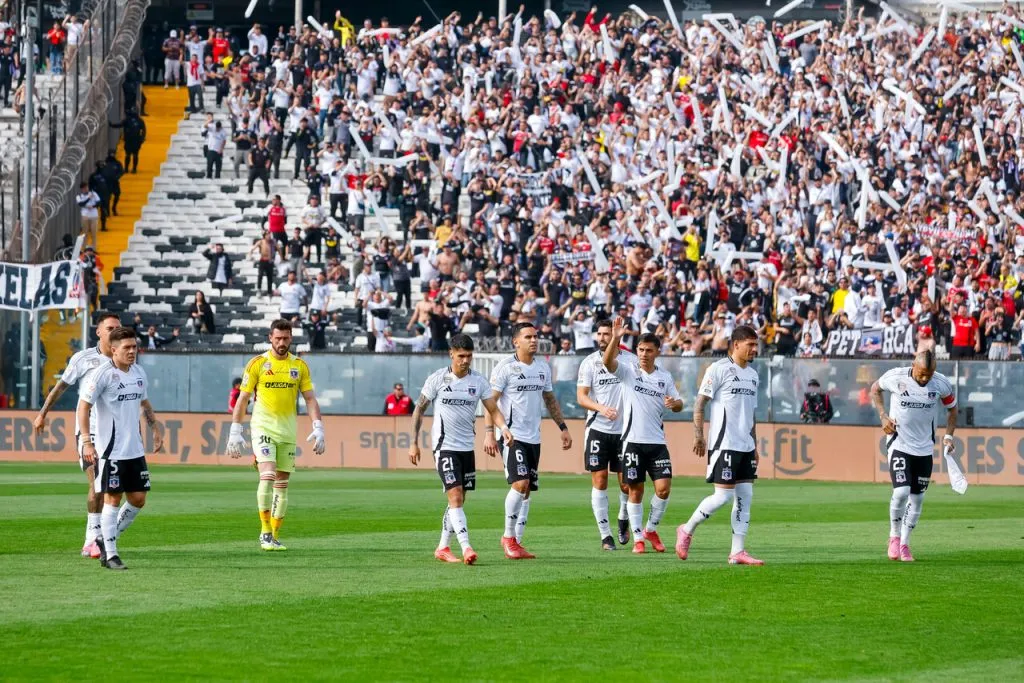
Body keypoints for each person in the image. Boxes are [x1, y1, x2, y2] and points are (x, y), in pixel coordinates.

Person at [408, 334, 515, 565]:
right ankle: (467, 548)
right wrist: (413, 442)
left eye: (469, 356)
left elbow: (493, 409)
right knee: (455, 495)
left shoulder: (478, 381)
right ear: (451, 354)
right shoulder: (438, 379)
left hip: (467, 448)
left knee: (459, 499)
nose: (465, 360)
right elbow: (419, 409)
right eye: (461, 356)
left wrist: (503, 428)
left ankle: (442, 547)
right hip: (444, 446)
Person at [226, 320, 326, 551]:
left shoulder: (299, 366)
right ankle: (264, 531)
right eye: (278, 338)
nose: (282, 342)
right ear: (270, 338)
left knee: (282, 484)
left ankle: (274, 535)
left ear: (291, 338)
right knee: (268, 475)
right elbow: (243, 398)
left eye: (286, 338)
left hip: (288, 431)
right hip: (262, 427)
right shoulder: (258, 364)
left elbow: (310, 398)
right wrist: (235, 430)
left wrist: (318, 426)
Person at [32, 311, 121, 558]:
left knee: (113, 487)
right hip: (88, 431)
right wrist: (42, 414)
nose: (115, 331)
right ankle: (91, 539)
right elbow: (60, 387)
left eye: (118, 327)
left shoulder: (124, 358)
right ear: (99, 332)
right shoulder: (83, 359)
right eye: (110, 327)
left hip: (114, 433)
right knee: (96, 483)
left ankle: (102, 537)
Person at [77, 327, 165, 570]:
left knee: (138, 499)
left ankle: (103, 538)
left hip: (134, 449)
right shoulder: (102, 374)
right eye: (126, 348)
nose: (132, 351)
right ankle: (111, 555)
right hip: (110, 450)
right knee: (112, 499)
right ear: (113, 350)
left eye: (134, 347)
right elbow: (83, 407)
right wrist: (87, 441)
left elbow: (144, 402)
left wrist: (155, 429)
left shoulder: (138, 372)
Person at [484, 322, 572, 560]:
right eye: (528, 337)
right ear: (516, 341)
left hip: (534, 437)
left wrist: (563, 427)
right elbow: (490, 402)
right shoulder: (505, 368)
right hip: (512, 436)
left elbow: (550, 399)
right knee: (520, 483)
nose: (534, 340)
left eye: (536, 336)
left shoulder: (542, 367)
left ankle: (517, 541)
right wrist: (489, 432)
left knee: (527, 491)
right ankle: (508, 537)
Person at [677, 325, 764, 566]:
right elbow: (699, 403)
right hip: (724, 443)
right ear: (736, 344)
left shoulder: (753, 375)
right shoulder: (717, 369)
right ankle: (687, 529)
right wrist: (698, 435)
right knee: (723, 496)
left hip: (745, 445)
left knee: (745, 496)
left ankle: (737, 551)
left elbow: (751, 414)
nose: (754, 349)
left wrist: (754, 444)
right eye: (750, 344)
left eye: (756, 345)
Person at [603, 317, 683, 554]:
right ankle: (638, 538)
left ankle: (650, 529)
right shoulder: (628, 372)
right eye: (640, 349)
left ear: (658, 351)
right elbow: (608, 362)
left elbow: (679, 404)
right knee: (635, 489)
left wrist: (674, 403)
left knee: (664, 489)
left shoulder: (664, 377)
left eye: (649, 350)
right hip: (633, 442)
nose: (644, 354)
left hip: (657, 442)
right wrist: (616, 337)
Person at [869, 350, 957, 562]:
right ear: (913, 366)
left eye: (929, 374)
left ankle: (905, 544)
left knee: (917, 498)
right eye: (921, 374)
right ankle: (894, 536)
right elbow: (874, 390)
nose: (925, 378)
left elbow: (952, 410)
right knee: (901, 492)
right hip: (899, 443)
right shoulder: (896, 377)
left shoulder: (941, 384)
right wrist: (883, 416)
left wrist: (948, 437)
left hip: (925, 448)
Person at [576, 319, 633, 549]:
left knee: (627, 485)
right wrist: (601, 408)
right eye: (599, 334)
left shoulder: (630, 361)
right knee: (600, 480)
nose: (601, 338)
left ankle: (623, 517)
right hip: (598, 429)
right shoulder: (589, 363)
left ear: (616, 335)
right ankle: (605, 535)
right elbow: (582, 397)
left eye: (606, 334)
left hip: (625, 432)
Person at [109, 107, 146, 174]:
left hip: (132, 140)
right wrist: (142, 138)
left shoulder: (130, 120)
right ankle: (130, 169)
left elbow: (120, 125)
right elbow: (144, 130)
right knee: (132, 155)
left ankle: (130, 169)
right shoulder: (138, 120)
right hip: (133, 140)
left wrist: (112, 125)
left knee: (130, 155)